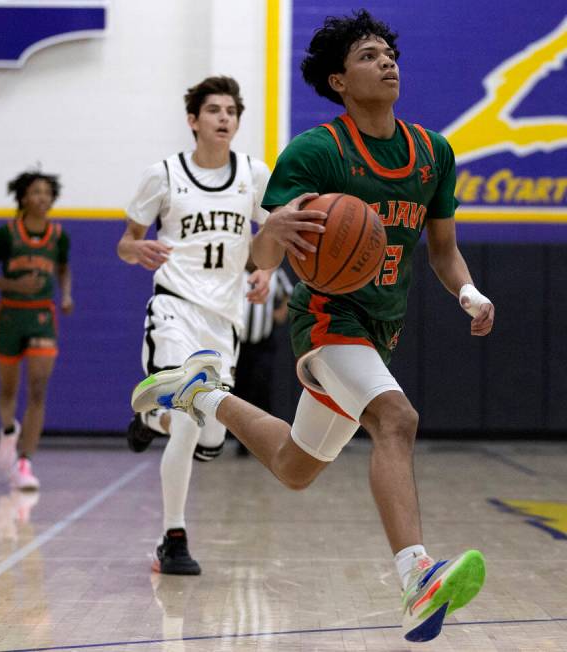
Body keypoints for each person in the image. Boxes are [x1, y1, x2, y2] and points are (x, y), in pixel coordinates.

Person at [130, 10, 495, 643]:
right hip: (328, 319)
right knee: (397, 419)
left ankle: (199, 394)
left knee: (296, 467)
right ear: (338, 80)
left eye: (389, 53)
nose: (386, 62)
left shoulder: (434, 152)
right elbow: (266, 260)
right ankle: (416, 577)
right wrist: (269, 232)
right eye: (368, 56)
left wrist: (467, 290)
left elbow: (441, 251)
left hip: (381, 327)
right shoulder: (314, 152)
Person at [117, 75, 272, 575]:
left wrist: (267, 269)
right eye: (214, 110)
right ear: (194, 120)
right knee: (186, 419)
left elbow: (271, 236)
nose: (225, 118)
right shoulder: (163, 174)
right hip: (174, 308)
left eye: (231, 111)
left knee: (208, 440)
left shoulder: (254, 174)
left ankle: (147, 419)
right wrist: (135, 249)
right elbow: (126, 241)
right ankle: (173, 537)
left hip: (223, 321)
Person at [0, 169, 73, 491]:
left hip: (42, 315)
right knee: (8, 390)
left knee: (38, 390)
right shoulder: (6, 234)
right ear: (23, 197)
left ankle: (24, 461)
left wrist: (67, 294)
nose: (42, 198)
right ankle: (7, 431)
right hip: (10, 315)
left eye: (47, 192)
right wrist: (11, 283)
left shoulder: (59, 236)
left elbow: (62, 268)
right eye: (35, 192)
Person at [230, 265, 294, 456]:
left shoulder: (275, 274)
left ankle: (261, 441)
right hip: (238, 345)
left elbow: (290, 293)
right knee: (238, 391)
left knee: (261, 389)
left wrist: (282, 312)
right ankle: (241, 442)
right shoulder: (235, 273)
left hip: (263, 343)